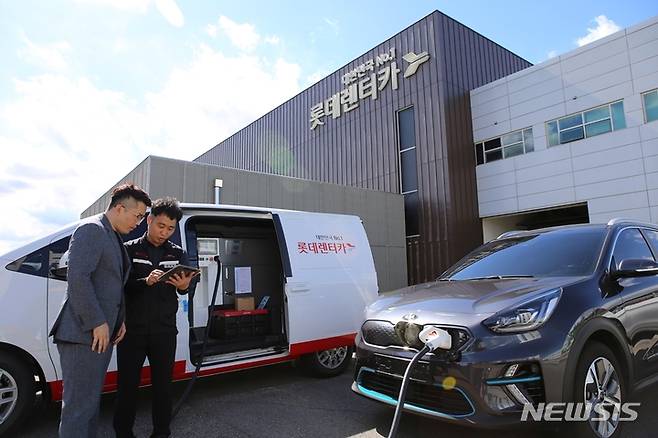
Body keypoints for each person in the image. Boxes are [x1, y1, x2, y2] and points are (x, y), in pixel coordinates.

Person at [50, 183, 151, 438]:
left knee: (89, 405)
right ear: (119, 208)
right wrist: (97, 321)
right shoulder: (91, 229)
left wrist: (121, 319)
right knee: (78, 410)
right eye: (138, 215)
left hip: (97, 335)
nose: (139, 223)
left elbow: (113, 285)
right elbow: (78, 279)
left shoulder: (113, 235)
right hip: (82, 334)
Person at [113, 197, 195, 438]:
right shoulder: (128, 249)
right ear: (149, 220)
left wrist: (183, 287)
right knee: (127, 386)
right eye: (160, 226)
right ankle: (123, 433)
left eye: (170, 229)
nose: (164, 232)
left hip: (164, 330)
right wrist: (144, 282)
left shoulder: (178, 253)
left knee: (163, 386)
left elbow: (188, 286)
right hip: (131, 331)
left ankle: (162, 431)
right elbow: (119, 285)